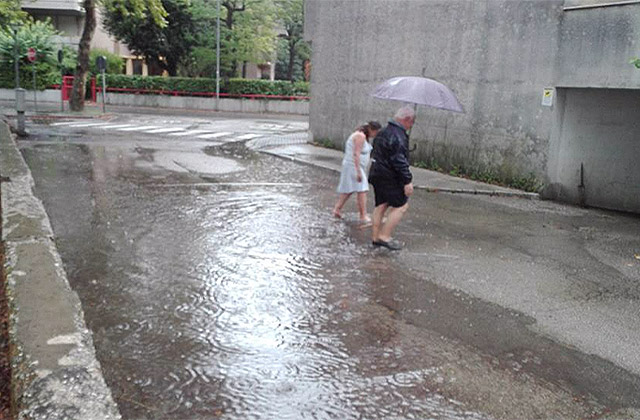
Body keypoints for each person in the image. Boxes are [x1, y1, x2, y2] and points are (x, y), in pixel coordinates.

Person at [368, 106, 416, 250]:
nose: (410, 126)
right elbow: (399, 160)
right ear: (406, 120)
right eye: (411, 123)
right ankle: (385, 236)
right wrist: (407, 181)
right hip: (389, 176)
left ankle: (376, 237)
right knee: (401, 205)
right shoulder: (398, 135)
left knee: (381, 205)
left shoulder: (382, 132)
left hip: (376, 173)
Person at [333, 121, 382, 223]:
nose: (375, 135)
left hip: (354, 166)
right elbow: (356, 154)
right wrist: (358, 171)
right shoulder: (360, 136)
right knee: (362, 189)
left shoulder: (361, 135)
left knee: (350, 189)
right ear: (371, 130)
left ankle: (337, 209)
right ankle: (363, 215)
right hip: (353, 166)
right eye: (376, 132)